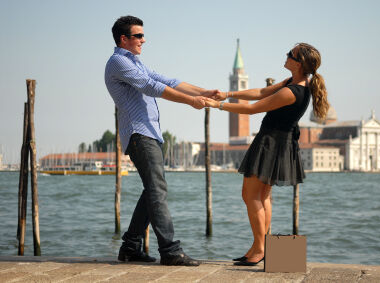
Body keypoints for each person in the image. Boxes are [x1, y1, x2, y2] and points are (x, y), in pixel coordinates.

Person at [105, 15, 217, 266]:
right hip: (140, 133)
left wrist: (202, 92)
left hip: (150, 134)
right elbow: (150, 87)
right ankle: (170, 250)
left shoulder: (136, 62)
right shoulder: (117, 62)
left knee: (153, 190)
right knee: (157, 190)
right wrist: (190, 101)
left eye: (143, 35)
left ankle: (131, 247)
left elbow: (167, 81)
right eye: (138, 36)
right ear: (124, 39)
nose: (144, 40)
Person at [205, 43, 329, 266]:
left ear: (299, 64)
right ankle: (259, 247)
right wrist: (228, 94)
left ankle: (261, 248)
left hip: (271, 143)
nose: (286, 55)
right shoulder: (296, 83)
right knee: (262, 196)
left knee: (250, 194)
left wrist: (218, 105)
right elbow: (261, 92)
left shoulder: (291, 92)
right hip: (280, 143)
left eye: (290, 54)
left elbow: (254, 108)